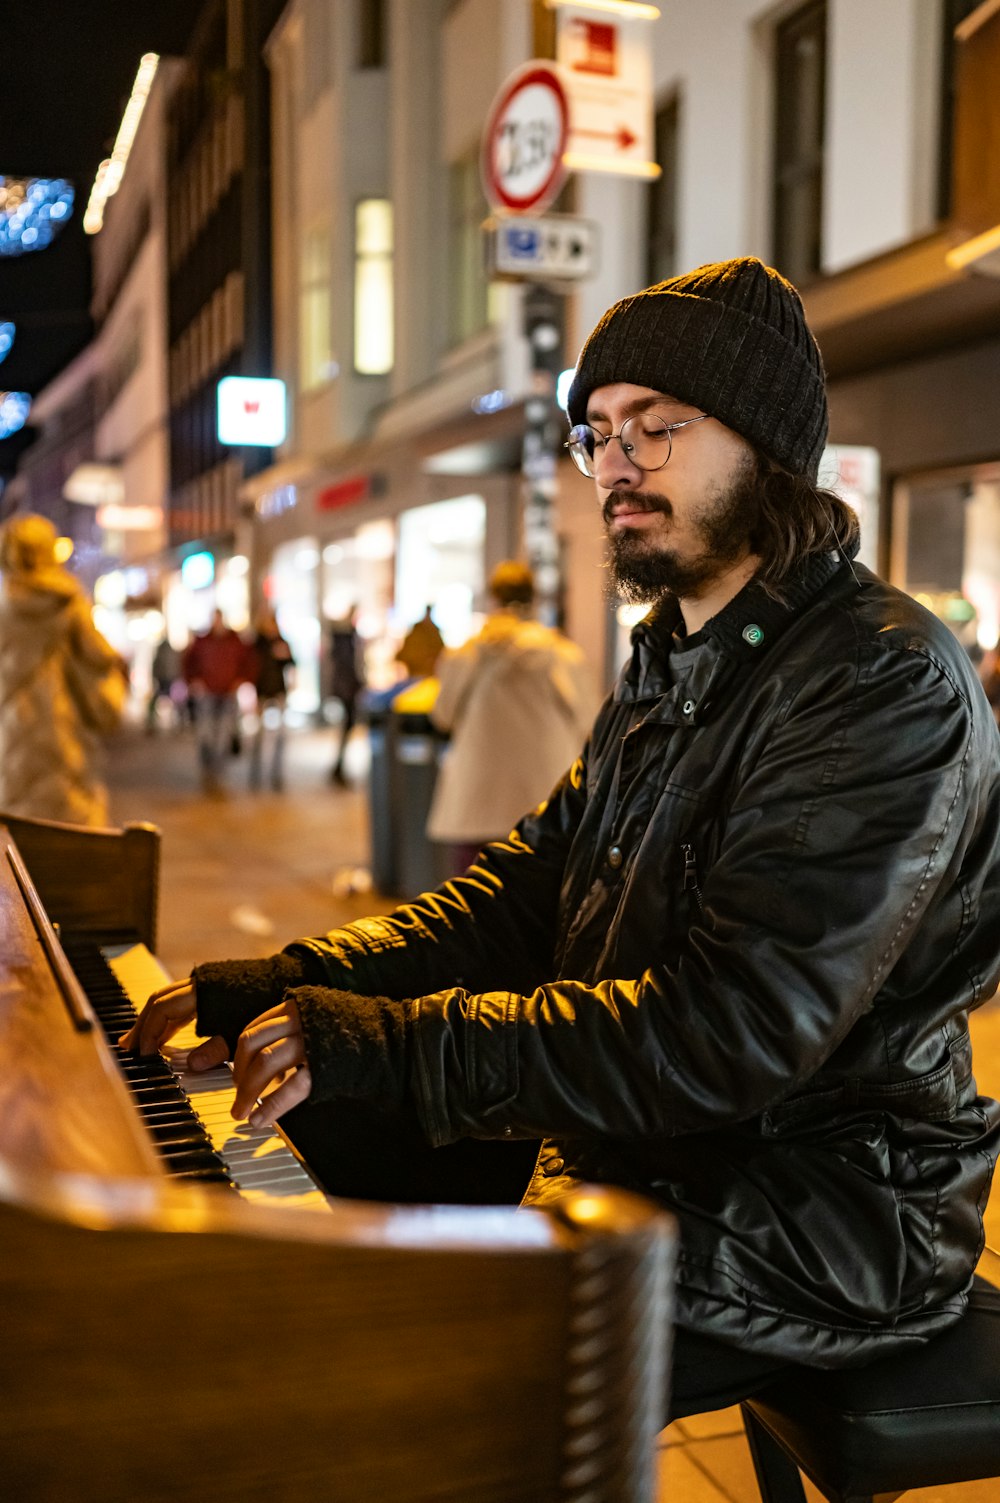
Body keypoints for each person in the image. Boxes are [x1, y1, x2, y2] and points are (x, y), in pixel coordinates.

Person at [122, 258, 1000, 1421]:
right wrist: (288, 985)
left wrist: (384, 1047)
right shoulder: (676, 653)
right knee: (279, 1172)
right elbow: (517, 899)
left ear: (765, 442)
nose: (616, 467)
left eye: (654, 428)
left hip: (822, 1209)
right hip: (654, 1147)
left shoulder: (876, 680)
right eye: (596, 434)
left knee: (408, 1376)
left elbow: (726, 1029)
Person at [427, 560, 597, 870]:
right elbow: (591, 721)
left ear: (492, 598)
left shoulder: (463, 655)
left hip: (476, 800)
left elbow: (443, 717)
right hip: (546, 801)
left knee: (473, 901)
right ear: (533, 598)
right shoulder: (560, 653)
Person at [0, 512, 126, 825]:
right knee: (68, 820)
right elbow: (100, 656)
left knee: (15, 821)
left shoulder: (3, 605)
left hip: (8, 732)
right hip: (59, 726)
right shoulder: (66, 601)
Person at [181, 608, 255, 795]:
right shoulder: (202, 642)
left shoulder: (234, 641)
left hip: (227, 695)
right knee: (205, 735)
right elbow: (188, 664)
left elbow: (249, 662)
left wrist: (240, 680)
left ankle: (219, 776)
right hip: (207, 695)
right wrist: (194, 682)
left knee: (223, 737)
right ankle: (208, 773)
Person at [248, 606, 295, 791]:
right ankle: (255, 773)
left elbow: (292, 663)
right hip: (262, 692)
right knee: (259, 735)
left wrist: (285, 656)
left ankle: (276, 774)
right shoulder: (257, 644)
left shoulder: (281, 641)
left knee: (281, 736)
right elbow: (250, 666)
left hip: (279, 691)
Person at [327, 608, 365, 786]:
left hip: (349, 689)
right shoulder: (345, 640)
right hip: (347, 691)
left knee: (348, 729)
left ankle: (338, 767)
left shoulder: (349, 639)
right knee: (346, 728)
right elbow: (346, 668)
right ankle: (338, 768)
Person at [394, 604, 444, 681]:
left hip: (427, 673)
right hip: (416, 671)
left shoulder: (434, 631)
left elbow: (441, 651)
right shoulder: (417, 631)